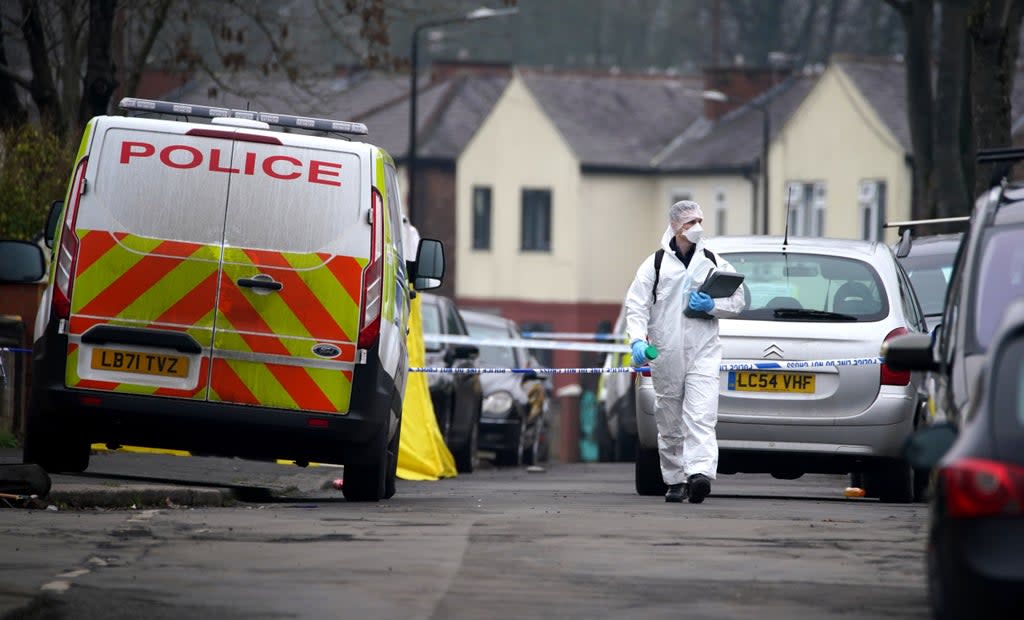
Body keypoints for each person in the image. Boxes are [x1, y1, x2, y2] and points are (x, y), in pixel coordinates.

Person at [623, 200, 746, 503]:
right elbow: (637, 306)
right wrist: (637, 341)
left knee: (701, 415)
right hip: (666, 354)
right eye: (691, 223)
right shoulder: (654, 265)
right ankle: (675, 479)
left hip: (703, 351)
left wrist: (713, 306)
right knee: (670, 419)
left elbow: (739, 300)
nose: (697, 228)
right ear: (677, 226)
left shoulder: (714, 261)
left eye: (699, 221)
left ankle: (699, 474)